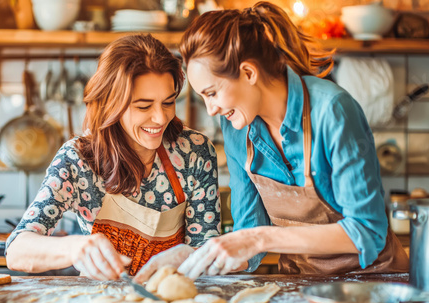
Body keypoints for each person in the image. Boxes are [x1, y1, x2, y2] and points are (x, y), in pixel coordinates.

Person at [172, 1, 409, 278]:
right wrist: (195, 256)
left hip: (373, 283)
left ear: (248, 73)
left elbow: (367, 231)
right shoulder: (237, 128)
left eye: (212, 93)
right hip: (302, 286)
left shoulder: (332, 110)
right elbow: (248, 240)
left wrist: (261, 238)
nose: (211, 110)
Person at [5, 34, 221, 280]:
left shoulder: (194, 152)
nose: (161, 118)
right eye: (143, 106)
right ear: (111, 104)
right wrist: (74, 248)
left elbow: (207, 252)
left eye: (168, 102)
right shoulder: (78, 160)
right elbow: (16, 250)